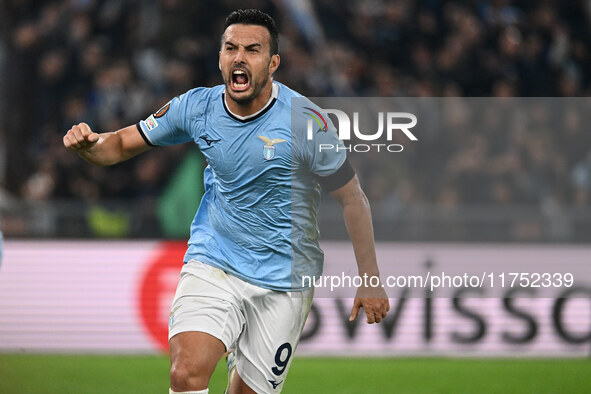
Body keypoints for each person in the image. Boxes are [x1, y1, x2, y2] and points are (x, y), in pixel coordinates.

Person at [63, 9, 389, 394]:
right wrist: (89, 146)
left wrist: (369, 279)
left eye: (253, 50)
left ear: (273, 63)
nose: (239, 57)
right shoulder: (197, 107)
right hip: (214, 261)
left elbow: (352, 199)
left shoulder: (306, 122)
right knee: (185, 374)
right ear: (219, 58)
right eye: (231, 48)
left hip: (285, 281)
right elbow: (117, 144)